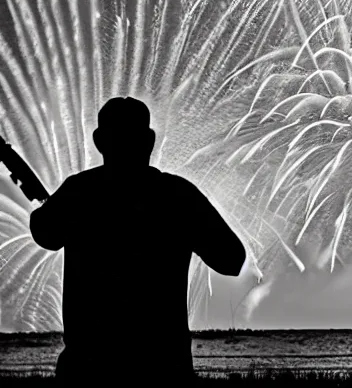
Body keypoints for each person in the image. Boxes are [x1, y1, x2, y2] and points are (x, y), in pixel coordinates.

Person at [30, 97, 247, 384]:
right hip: (163, 369)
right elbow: (232, 259)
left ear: (99, 141)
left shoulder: (79, 192)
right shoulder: (178, 196)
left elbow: (44, 233)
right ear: (149, 141)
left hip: (88, 371)